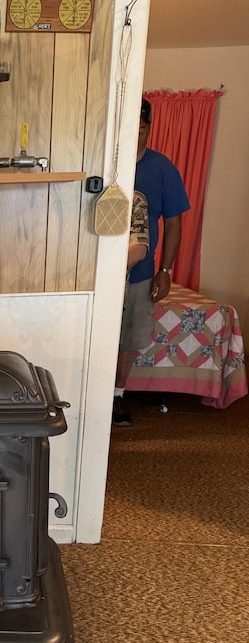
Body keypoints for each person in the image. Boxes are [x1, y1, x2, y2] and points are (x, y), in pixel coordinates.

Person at [113, 97, 190, 426]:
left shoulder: (162, 168)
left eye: (141, 129)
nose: (136, 135)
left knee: (128, 337)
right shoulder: (108, 162)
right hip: (98, 274)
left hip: (141, 273)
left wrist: (166, 270)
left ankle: (116, 397)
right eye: (130, 128)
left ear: (149, 127)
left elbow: (173, 223)